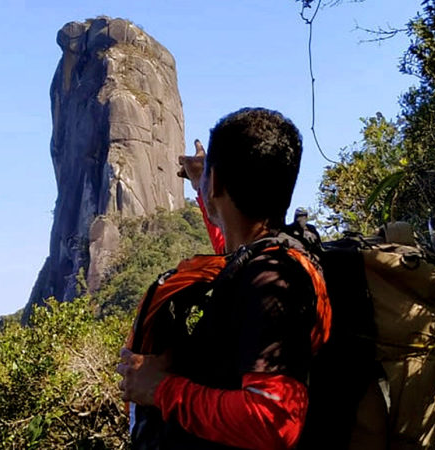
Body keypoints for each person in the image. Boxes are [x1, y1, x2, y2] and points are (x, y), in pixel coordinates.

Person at [117, 108, 330, 449]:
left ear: (217, 182)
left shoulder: (271, 280)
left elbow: (273, 422)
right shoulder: (280, 256)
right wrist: (204, 186)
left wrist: (158, 389)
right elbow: (233, 246)